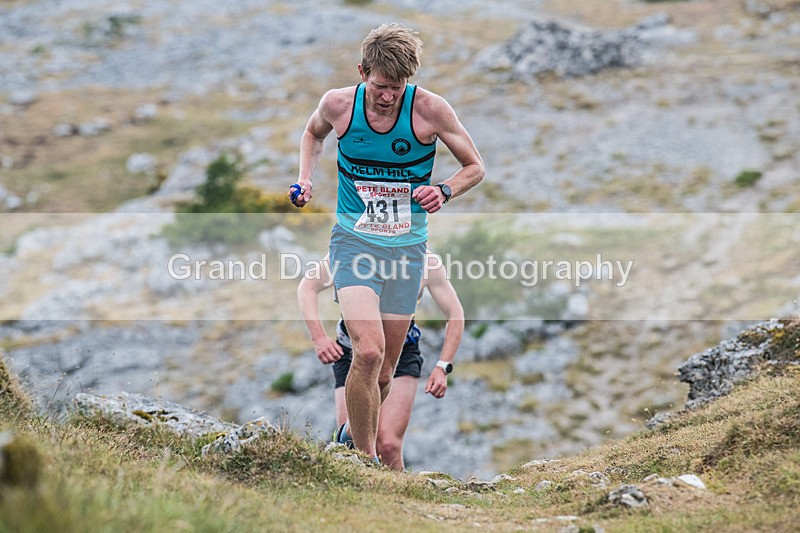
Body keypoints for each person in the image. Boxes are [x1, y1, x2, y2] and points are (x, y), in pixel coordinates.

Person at [289, 23, 483, 462]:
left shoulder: (431, 110)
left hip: (407, 251)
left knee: (383, 375)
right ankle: (363, 459)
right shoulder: (338, 104)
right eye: (379, 86)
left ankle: (349, 439)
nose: (387, 96)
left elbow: (475, 166)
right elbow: (312, 134)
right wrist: (305, 178)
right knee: (369, 351)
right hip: (353, 243)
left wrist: (446, 189)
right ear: (363, 72)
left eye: (397, 88)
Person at [297, 252, 464, 470]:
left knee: (388, 444)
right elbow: (307, 287)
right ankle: (356, 498)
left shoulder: (427, 262)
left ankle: (400, 500)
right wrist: (319, 337)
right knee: (353, 445)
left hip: (402, 353)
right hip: (352, 351)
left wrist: (443, 366)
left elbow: (455, 313)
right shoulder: (352, 246)